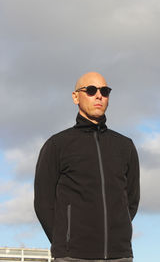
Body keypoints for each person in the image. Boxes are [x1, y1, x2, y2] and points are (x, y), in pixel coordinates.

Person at [34, 72, 140, 262]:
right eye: (91, 90)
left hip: (120, 255)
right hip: (72, 256)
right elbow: (43, 202)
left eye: (104, 91)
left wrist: (118, 232)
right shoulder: (57, 145)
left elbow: (131, 200)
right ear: (76, 97)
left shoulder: (125, 146)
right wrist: (64, 241)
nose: (99, 95)